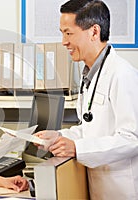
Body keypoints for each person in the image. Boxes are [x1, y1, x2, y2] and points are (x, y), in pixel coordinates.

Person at [34, 0, 138, 199]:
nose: (64, 42)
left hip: (122, 190)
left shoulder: (122, 75)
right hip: (98, 186)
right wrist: (59, 136)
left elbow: (132, 138)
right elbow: (90, 128)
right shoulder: (89, 74)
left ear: (93, 32)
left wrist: (77, 148)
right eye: (62, 33)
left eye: (69, 33)